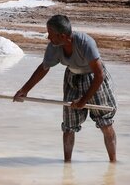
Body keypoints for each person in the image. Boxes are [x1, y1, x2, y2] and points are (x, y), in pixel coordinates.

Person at [14, 15, 117, 162]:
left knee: (105, 123)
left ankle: (113, 162)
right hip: (72, 78)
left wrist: (83, 100)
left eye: (50, 34)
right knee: (68, 127)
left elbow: (99, 75)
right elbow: (44, 68)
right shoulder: (54, 46)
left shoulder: (85, 43)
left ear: (62, 36)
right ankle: (67, 164)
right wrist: (25, 90)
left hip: (93, 78)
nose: (48, 37)